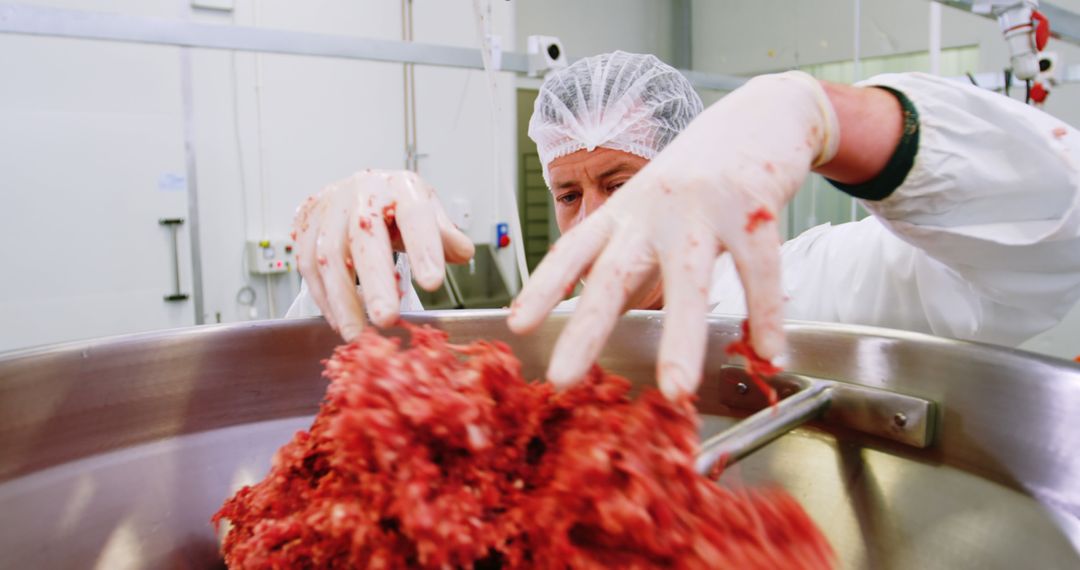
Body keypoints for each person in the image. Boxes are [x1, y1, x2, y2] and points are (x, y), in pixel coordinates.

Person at [288, 51, 1080, 400]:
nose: (596, 219)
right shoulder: (532, 347)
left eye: (624, 184)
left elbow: (1052, 235)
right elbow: (333, 406)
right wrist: (360, 261)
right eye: (569, 193)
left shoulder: (822, 286)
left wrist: (844, 122)